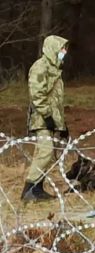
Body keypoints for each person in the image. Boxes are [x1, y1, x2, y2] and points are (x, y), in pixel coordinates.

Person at [22, 35, 70, 201]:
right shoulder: (41, 67)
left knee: (44, 154)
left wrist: (62, 125)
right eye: (62, 48)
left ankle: (37, 189)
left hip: (50, 119)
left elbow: (56, 101)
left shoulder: (55, 69)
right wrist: (48, 116)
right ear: (53, 48)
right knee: (45, 151)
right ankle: (30, 189)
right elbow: (37, 94)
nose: (64, 52)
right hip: (41, 119)